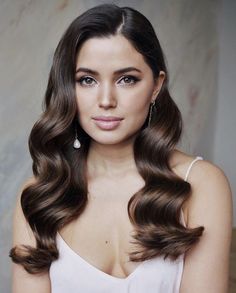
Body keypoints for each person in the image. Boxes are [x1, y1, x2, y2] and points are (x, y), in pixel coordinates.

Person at [9, 3, 232, 293]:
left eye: (127, 79)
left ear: (156, 86)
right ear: (69, 88)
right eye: (87, 80)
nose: (106, 100)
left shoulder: (200, 184)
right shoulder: (40, 197)